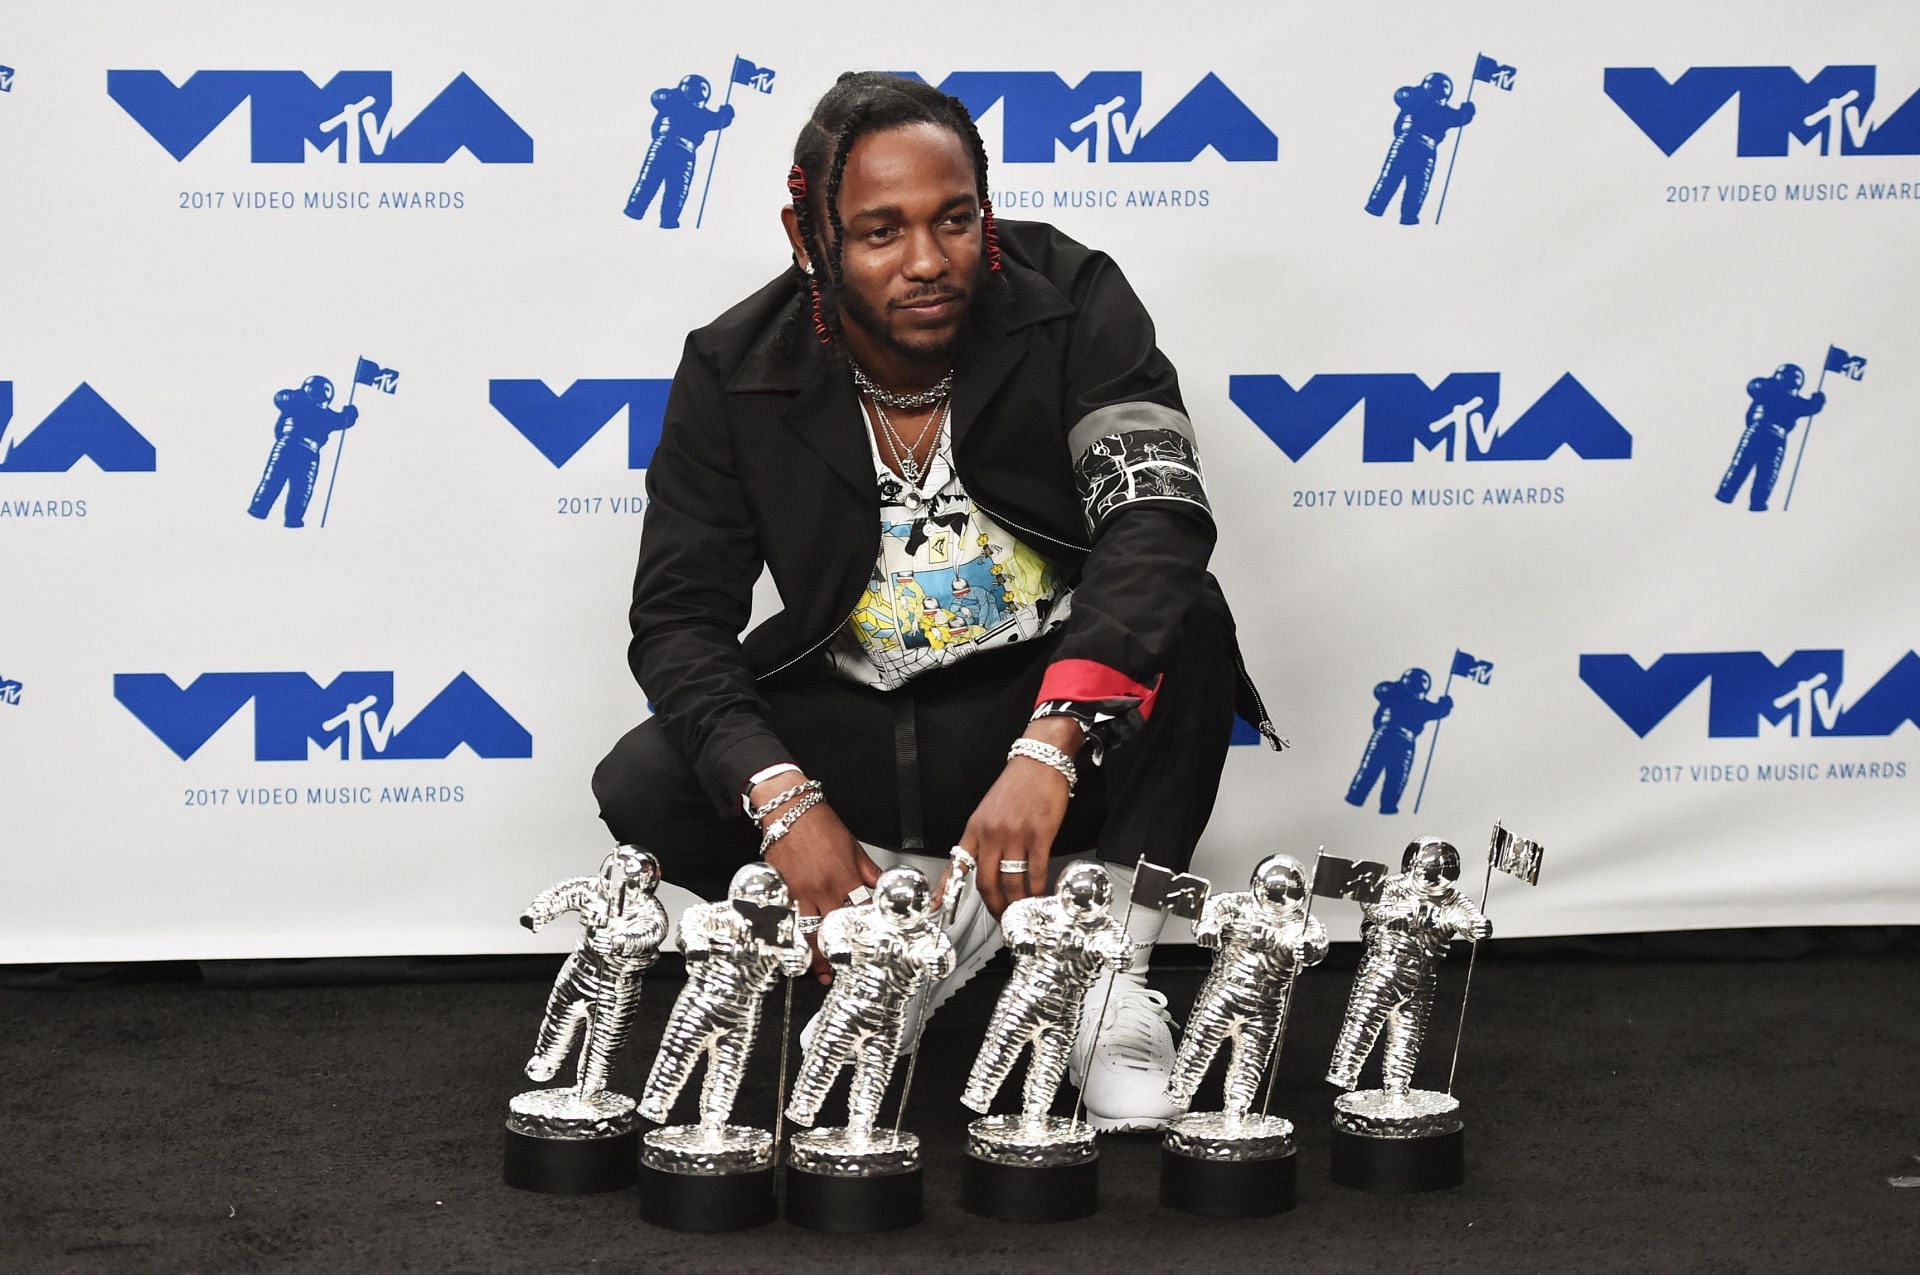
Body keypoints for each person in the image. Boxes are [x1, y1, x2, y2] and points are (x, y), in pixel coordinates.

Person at [595, 71, 1278, 1130]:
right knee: (648, 779)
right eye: (880, 232)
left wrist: (1050, 744)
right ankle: (898, 927)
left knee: (1183, 618)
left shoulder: (1071, 296)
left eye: (955, 220)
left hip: (1036, 712)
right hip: (865, 723)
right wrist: (785, 804)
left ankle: (1101, 959)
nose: (928, 262)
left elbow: (1155, 520)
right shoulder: (735, 368)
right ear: (807, 232)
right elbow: (679, 621)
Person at [1165, 854, 1329, 1118]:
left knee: (1251, 1059)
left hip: (1269, 1001)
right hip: (1227, 990)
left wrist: (1307, 949)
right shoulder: (1239, 904)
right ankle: (1178, 1093)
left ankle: (1236, 1110)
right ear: (1257, 885)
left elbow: (1317, 944)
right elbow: (1210, 908)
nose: (1281, 896)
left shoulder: (1303, 922)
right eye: (1275, 889)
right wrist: (1207, 926)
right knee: (1200, 1043)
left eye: (1290, 890)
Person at [1326, 838, 1490, 1095]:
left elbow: (1468, 919)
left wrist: (1478, 926)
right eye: (1433, 869)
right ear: (1412, 867)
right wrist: (1404, 911)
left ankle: (1396, 1087)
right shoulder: (1392, 886)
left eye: (1447, 869)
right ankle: (1344, 1073)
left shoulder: (1453, 899)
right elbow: (1373, 908)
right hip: (1384, 967)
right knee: (1363, 1021)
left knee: (1408, 1035)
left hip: (1423, 976)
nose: (1439, 875)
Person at [624, 73, 736, 229]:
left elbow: (720, 120)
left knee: (662, 185)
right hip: (674, 148)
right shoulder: (676, 102)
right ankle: (658, 217)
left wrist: (726, 114)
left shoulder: (678, 104)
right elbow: (657, 97)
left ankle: (643, 212)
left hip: (671, 148)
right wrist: (726, 114)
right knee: (669, 187)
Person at [246, 375, 357, 528]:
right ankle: (282, 515)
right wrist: (349, 414)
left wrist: (349, 415)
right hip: (298, 448)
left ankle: (265, 510)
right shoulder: (299, 404)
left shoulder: (300, 404)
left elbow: (343, 420)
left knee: (286, 483)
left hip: (295, 448)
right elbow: (281, 398)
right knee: (295, 486)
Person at [1364, 73, 1475, 226]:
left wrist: (1466, 112)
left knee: (1402, 181)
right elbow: (1460, 117)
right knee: (1411, 184)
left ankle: (1382, 208)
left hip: (1412, 144)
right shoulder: (1421, 101)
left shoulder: (1419, 100)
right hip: (1418, 146)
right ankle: (1400, 214)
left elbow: (1459, 117)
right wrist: (1467, 111)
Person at [1715, 363, 1826, 511]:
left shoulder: (1769, 390)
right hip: (1771, 434)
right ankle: (1753, 502)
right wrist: (1817, 401)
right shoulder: (1778, 393)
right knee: (1764, 471)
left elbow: (1753, 386)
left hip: (1762, 431)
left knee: (1748, 466)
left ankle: (1730, 495)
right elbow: (1810, 407)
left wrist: (1816, 402)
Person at [1346, 667, 1451, 814]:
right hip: (1390, 735)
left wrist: (1445, 705)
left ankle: (1369, 801)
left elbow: (1438, 711)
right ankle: (1366, 800)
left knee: (1390, 775)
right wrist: (1445, 704)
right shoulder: (1395, 693)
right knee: (1383, 772)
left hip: (1397, 738)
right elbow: (1380, 690)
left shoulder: (1404, 697)